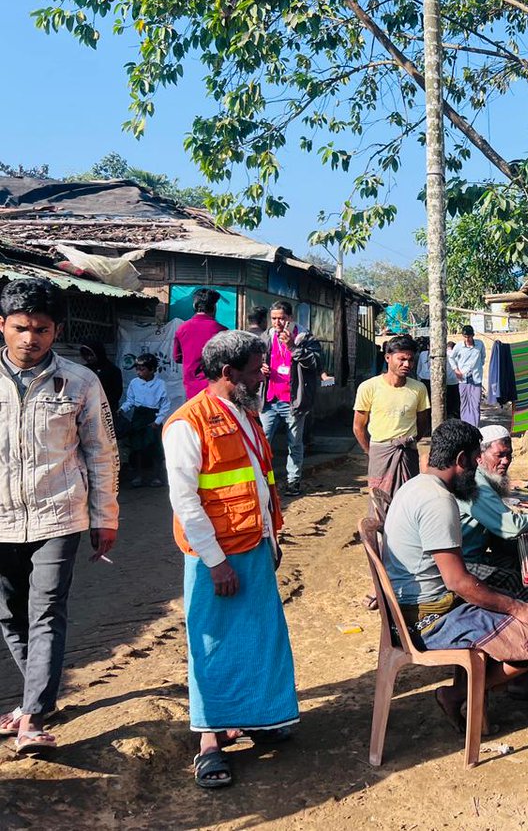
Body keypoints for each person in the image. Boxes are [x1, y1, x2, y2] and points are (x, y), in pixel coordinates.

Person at [164, 330, 297, 789]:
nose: (266, 372)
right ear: (227, 373)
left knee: (259, 637)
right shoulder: (187, 424)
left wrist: (270, 535)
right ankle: (209, 743)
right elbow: (186, 502)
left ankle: (257, 718)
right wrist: (216, 562)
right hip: (215, 557)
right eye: (257, 366)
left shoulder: (247, 414)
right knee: (213, 646)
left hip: (254, 546)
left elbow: (260, 481)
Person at [0, 279, 119, 755]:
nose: (31, 339)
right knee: (8, 615)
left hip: (59, 516)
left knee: (46, 610)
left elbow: (102, 453)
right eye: (21, 328)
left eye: (42, 330)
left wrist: (104, 517)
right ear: (2, 327)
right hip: (2, 519)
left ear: (57, 331)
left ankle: (30, 716)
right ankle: (38, 695)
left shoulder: (80, 382)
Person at [383, 419, 528, 729]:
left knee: (511, 596)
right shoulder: (439, 501)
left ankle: (474, 688)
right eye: (477, 458)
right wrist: (518, 607)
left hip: (413, 605)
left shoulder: (414, 485)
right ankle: (456, 695)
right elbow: (458, 582)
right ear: (461, 459)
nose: (479, 466)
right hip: (429, 619)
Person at [457, 425, 528, 602]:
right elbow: (510, 526)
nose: (506, 461)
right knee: (512, 579)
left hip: (474, 556)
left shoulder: (484, 478)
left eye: (509, 454)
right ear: (480, 457)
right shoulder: (475, 484)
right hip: (461, 564)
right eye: (500, 455)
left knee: (519, 561)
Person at [259, 301, 323, 497]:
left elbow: (316, 363)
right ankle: (263, 482)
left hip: (293, 401)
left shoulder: (305, 337)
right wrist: (260, 367)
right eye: (274, 318)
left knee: (294, 443)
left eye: (282, 318)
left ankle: (293, 482)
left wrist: (293, 347)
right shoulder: (266, 337)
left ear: (290, 318)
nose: (277, 322)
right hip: (269, 399)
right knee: (263, 443)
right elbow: (256, 360)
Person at [354, 335, 431, 496]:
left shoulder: (419, 389)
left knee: (409, 500)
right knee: (380, 502)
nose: (407, 364)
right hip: (380, 453)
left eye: (410, 360)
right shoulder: (369, 387)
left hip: (408, 453)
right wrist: (372, 451)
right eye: (401, 359)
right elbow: (358, 427)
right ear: (388, 358)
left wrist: (410, 442)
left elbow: (423, 423)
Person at [118, 352, 171, 487]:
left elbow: (165, 405)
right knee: (137, 448)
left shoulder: (160, 384)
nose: (139, 372)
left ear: (152, 370)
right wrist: (123, 409)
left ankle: (156, 476)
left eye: (143, 369)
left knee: (154, 448)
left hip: (152, 417)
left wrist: (157, 421)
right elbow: (130, 400)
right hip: (138, 416)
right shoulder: (134, 383)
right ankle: (138, 476)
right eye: (137, 369)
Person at [173, 287, 227, 399]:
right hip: (216, 391)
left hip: (191, 392)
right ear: (214, 307)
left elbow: (177, 358)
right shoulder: (222, 331)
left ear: (195, 306)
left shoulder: (182, 329)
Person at [450, 325, 486, 426]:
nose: (467, 339)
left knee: (475, 404)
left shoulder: (479, 344)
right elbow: (451, 358)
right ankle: (465, 425)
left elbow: (483, 357)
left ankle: (475, 426)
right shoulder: (459, 346)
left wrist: (478, 367)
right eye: (465, 336)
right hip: (463, 378)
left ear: (473, 336)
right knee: (464, 404)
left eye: (469, 337)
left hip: (476, 378)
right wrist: (456, 370)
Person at [79, 338, 123, 416]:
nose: (89, 358)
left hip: (105, 411)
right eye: (86, 355)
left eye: (91, 355)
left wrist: (100, 404)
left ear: (99, 353)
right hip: (85, 410)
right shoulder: (83, 370)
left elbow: (116, 394)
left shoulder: (113, 370)